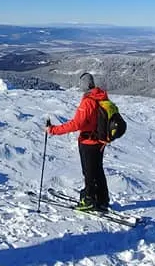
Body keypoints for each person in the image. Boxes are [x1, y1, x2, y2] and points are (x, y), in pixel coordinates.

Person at [46, 72, 111, 212]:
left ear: (85, 84)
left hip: (88, 142)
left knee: (89, 172)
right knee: (97, 170)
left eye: (81, 83)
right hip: (100, 140)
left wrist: (54, 130)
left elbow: (77, 124)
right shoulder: (101, 97)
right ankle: (102, 199)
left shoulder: (88, 101)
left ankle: (88, 200)